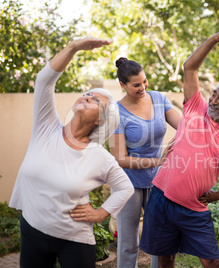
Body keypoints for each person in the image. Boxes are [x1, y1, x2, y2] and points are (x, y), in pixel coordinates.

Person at [9, 37, 134, 268]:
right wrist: (73, 47)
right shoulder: (46, 128)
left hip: (73, 240)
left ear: (100, 120)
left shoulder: (99, 156)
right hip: (32, 230)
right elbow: (43, 81)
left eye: (96, 100)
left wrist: (100, 214)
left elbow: (125, 187)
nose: (87, 97)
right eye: (87, 93)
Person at [139, 30, 219, 268]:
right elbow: (189, 68)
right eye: (214, 94)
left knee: (212, 262)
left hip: (194, 208)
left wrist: (216, 195)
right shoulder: (195, 107)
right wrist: (213, 40)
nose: (213, 100)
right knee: (165, 258)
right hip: (161, 196)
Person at [109, 57, 181, 268]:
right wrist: (159, 160)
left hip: (158, 180)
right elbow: (120, 159)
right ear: (122, 85)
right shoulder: (116, 113)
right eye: (136, 85)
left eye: (144, 81)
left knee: (159, 238)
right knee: (128, 242)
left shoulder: (158, 99)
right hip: (127, 182)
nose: (143, 88)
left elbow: (185, 127)